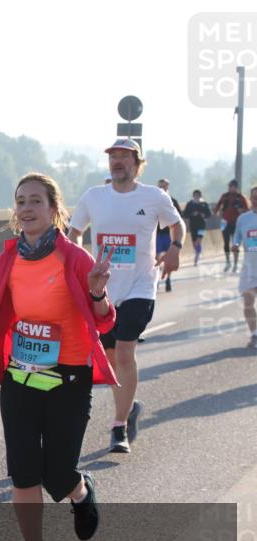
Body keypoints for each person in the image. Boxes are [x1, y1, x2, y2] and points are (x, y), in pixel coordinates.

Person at [0, 172, 117, 541]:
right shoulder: (9, 259)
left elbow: (105, 320)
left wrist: (96, 293)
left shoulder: (75, 258)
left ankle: (79, 491)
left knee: (58, 474)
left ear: (55, 210)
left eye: (36, 201)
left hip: (68, 378)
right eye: (20, 201)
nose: (26, 208)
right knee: (23, 473)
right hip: (21, 377)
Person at [67, 138, 184, 454]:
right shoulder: (94, 197)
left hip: (140, 287)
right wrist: (81, 264)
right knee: (106, 358)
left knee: (124, 352)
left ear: (137, 163)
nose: (117, 161)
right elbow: (73, 232)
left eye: (124, 156)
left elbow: (177, 225)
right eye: (113, 157)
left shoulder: (153, 196)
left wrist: (174, 249)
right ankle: (130, 407)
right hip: (103, 288)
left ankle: (118, 427)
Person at [233, 186, 257, 350]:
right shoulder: (243, 218)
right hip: (249, 264)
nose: (256, 200)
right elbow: (237, 236)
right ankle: (255, 334)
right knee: (248, 302)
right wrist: (234, 244)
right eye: (254, 197)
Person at [214, 179, 250, 273]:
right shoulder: (224, 196)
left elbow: (247, 210)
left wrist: (241, 210)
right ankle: (227, 262)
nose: (231, 189)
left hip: (236, 223)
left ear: (236, 188)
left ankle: (235, 263)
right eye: (230, 187)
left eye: (233, 187)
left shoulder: (241, 197)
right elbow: (217, 206)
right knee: (226, 243)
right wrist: (217, 212)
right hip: (225, 222)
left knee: (235, 244)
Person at [155, 178, 182, 292]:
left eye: (164, 186)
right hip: (157, 235)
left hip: (169, 234)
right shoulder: (154, 200)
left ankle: (168, 280)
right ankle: (155, 280)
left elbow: (179, 219)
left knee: (169, 257)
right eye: (160, 186)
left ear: (168, 186)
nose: (162, 188)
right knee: (156, 258)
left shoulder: (173, 201)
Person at [182, 189, 212, 266]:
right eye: (195, 195)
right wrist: (192, 214)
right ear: (193, 196)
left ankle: (196, 259)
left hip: (202, 226)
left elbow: (209, 214)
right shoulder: (190, 204)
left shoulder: (204, 204)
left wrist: (204, 215)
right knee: (194, 243)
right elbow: (185, 214)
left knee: (198, 241)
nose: (196, 196)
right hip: (193, 226)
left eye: (198, 195)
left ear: (200, 195)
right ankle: (198, 252)